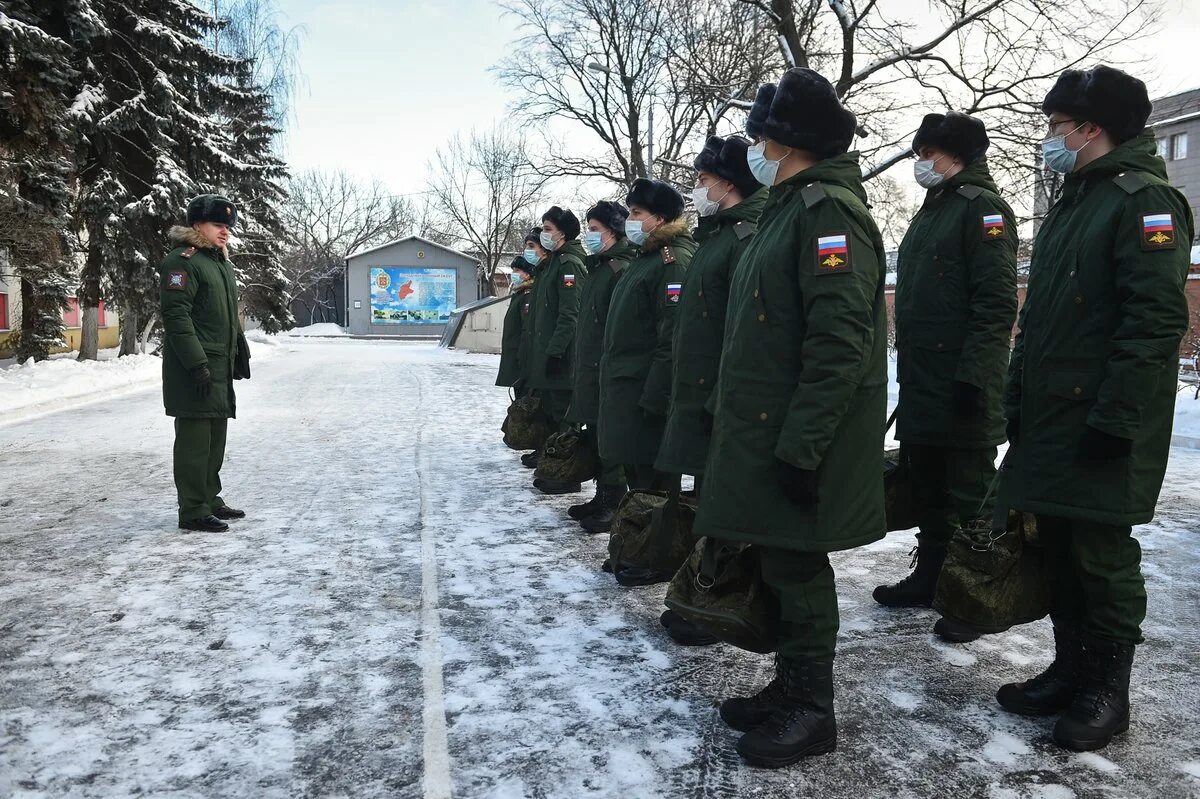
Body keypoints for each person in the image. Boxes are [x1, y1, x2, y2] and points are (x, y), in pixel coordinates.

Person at [996, 65, 1192, 753]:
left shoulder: (1147, 202)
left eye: (1057, 126)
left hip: (1103, 421)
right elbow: (1041, 321)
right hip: (1052, 419)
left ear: (1092, 127)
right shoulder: (1075, 201)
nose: (1050, 137)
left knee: (1102, 554)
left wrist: (1117, 419)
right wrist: (1015, 398)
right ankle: (1072, 669)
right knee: (1059, 547)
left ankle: (1108, 690)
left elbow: (1154, 322)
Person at [694, 69, 887, 768]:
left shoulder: (827, 213)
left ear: (787, 141)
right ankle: (791, 684)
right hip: (767, 427)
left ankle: (814, 708)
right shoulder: (789, 208)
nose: (753, 149)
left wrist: (804, 446)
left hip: (800, 434)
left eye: (760, 138)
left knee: (800, 567)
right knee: (779, 557)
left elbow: (839, 343)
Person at [872, 111, 1018, 644]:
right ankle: (931, 576)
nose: (919, 162)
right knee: (929, 486)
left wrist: (974, 379)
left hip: (962, 385)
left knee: (971, 494)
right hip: (924, 380)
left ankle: (978, 594)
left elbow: (996, 302)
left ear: (955, 154)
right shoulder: (934, 210)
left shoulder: (982, 210)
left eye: (926, 152)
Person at [655, 134, 766, 645]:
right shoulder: (716, 235)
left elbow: (745, 327)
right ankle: (702, 594)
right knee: (710, 500)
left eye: (702, 179)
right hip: (700, 389)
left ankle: (720, 599)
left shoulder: (745, 236)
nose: (697, 189)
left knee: (726, 506)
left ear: (728, 182)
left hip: (724, 392)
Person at [597, 179, 697, 502]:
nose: (631, 220)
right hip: (630, 391)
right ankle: (637, 545)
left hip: (647, 397)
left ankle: (651, 550)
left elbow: (671, 339)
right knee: (639, 484)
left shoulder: (672, 263)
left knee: (653, 489)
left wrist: (654, 398)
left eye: (638, 212)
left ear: (661, 219)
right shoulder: (645, 259)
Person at [159, 194, 251, 533]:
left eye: (228, 226)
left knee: (214, 436)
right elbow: (176, 317)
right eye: (218, 225)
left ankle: (210, 499)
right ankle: (193, 510)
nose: (225, 232)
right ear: (197, 224)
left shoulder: (219, 263)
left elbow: (223, 318)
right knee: (195, 440)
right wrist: (197, 363)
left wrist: (238, 352)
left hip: (218, 364)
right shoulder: (182, 261)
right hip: (194, 367)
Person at [566, 201, 636, 532]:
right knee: (595, 431)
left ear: (613, 230)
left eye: (595, 229)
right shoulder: (599, 267)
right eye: (588, 228)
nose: (589, 235)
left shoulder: (620, 267)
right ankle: (601, 496)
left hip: (608, 367)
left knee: (610, 438)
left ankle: (613, 500)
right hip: (592, 366)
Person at [528, 206, 586, 493]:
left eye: (548, 229)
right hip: (550, 353)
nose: (543, 234)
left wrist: (555, 351)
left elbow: (569, 315)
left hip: (563, 356)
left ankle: (567, 475)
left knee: (565, 417)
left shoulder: (569, 265)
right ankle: (555, 468)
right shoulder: (553, 263)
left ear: (563, 233)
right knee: (553, 413)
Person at [518, 228, 551, 469]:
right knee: (544, 409)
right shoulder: (544, 275)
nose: (528, 252)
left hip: (553, 358)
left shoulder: (564, 268)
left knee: (555, 413)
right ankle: (545, 453)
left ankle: (555, 460)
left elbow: (568, 317)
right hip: (537, 355)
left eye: (532, 246)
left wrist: (553, 353)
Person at [495, 255, 535, 395]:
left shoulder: (527, 295)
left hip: (521, 357)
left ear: (528, 273)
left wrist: (521, 355)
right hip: (516, 355)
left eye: (518, 270)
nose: (514, 274)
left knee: (524, 400)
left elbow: (526, 327)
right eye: (513, 270)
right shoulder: (519, 293)